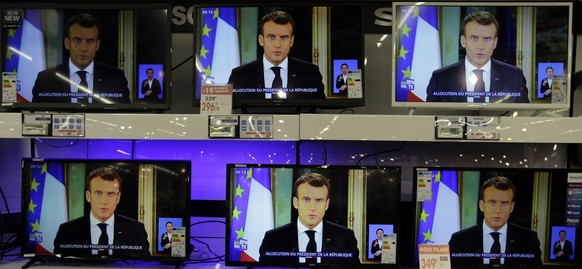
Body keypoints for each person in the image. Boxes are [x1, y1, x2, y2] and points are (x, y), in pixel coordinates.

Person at [426, 11, 529, 103]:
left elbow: (524, 119)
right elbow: (429, 120)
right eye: (474, 38)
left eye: (487, 39)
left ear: (495, 43)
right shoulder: (441, 78)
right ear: (463, 41)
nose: (481, 46)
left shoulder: (515, 77)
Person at [258, 172, 360, 264]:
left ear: (327, 204)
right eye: (306, 200)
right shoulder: (273, 238)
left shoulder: (346, 237)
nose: (312, 208)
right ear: (296, 202)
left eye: (319, 200)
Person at [32, 13, 131, 104]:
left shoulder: (116, 78)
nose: (83, 48)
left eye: (90, 41)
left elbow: (126, 118)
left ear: (97, 45)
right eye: (77, 40)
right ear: (67, 43)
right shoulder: (45, 79)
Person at [227, 11, 325, 100]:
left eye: (283, 38)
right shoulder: (239, 76)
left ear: (291, 41)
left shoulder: (310, 73)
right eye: (271, 37)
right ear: (261, 40)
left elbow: (321, 114)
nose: (278, 44)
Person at [53, 167, 150, 256]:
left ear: (118, 198)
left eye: (110, 194)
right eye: (98, 193)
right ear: (88, 196)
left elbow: (145, 265)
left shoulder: (136, 230)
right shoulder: (67, 231)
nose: (104, 201)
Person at [448, 176, 542, 267]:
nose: (498, 210)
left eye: (504, 203)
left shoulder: (528, 239)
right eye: (492, 202)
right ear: (482, 205)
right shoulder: (460, 240)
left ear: (511, 207)